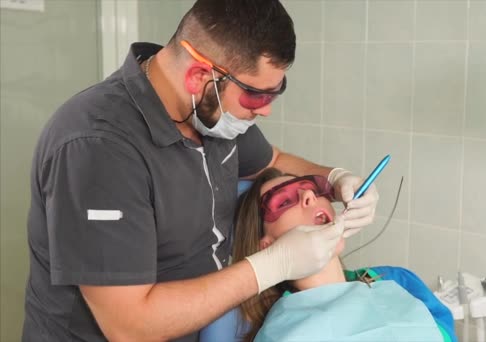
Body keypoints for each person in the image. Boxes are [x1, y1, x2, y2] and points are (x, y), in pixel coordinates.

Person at [22, 1, 379, 341]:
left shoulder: (211, 112)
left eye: (275, 93)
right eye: (258, 97)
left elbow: (271, 161)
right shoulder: (98, 147)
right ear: (199, 77)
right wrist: (272, 265)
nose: (265, 112)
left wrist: (334, 179)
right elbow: (130, 328)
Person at [231, 168, 457, 342]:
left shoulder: (396, 279)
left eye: (312, 187)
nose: (309, 195)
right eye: (284, 201)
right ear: (267, 247)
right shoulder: (280, 332)